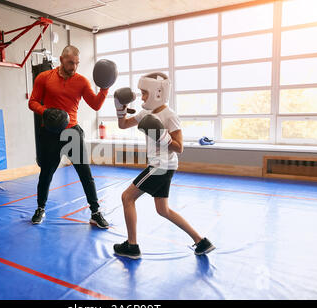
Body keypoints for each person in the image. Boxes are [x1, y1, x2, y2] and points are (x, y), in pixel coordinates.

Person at [113, 73, 215, 259]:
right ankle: (201, 241)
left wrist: (161, 135)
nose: (142, 97)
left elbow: (179, 147)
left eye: (145, 93)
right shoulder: (146, 113)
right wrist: (121, 108)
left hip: (161, 166)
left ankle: (132, 246)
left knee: (127, 197)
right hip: (163, 166)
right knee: (163, 209)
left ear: (157, 93)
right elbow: (123, 125)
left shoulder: (170, 115)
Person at [28, 45, 109, 228]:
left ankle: (95, 212)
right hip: (50, 133)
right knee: (46, 174)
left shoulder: (81, 81)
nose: (74, 67)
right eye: (71, 62)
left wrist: (104, 89)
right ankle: (40, 208)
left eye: (77, 63)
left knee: (85, 174)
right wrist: (45, 112)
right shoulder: (44, 77)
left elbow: (95, 105)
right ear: (62, 59)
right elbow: (32, 102)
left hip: (72, 132)